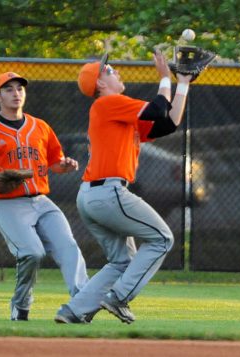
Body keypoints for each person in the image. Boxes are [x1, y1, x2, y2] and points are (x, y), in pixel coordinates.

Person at [54, 50, 192, 324]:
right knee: (162, 239)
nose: (115, 70)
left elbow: (167, 123)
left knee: (122, 261)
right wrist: (165, 77)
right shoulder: (108, 104)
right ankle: (119, 298)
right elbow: (156, 108)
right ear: (101, 84)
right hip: (108, 193)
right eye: (109, 70)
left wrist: (183, 82)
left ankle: (74, 310)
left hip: (93, 195)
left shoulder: (118, 111)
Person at [0, 72, 89, 321]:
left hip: (41, 202)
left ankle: (81, 304)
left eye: (19, 88)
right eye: (8, 89)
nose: (16, 93)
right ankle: (20, 305)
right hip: (8, 204)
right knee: (32, 253)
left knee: (69, 248)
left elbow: (54, 163)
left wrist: (66, 165)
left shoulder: (40, 127)